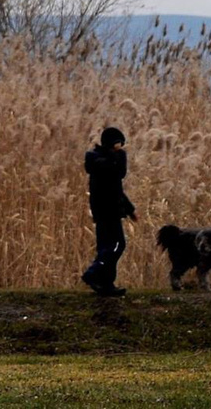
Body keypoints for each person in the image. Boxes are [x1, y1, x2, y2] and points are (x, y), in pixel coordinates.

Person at [81, 126, 136, 297]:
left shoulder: (106, 160)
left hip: (106, 210)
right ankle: (93, 274)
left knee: (106, 246)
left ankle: (106, 284)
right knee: (117, 245)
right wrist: (118, 155)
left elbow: (117, 187)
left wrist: (129, 209)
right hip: (107, 211)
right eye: (119, 143)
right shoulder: (100, 161)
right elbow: (117, 173)